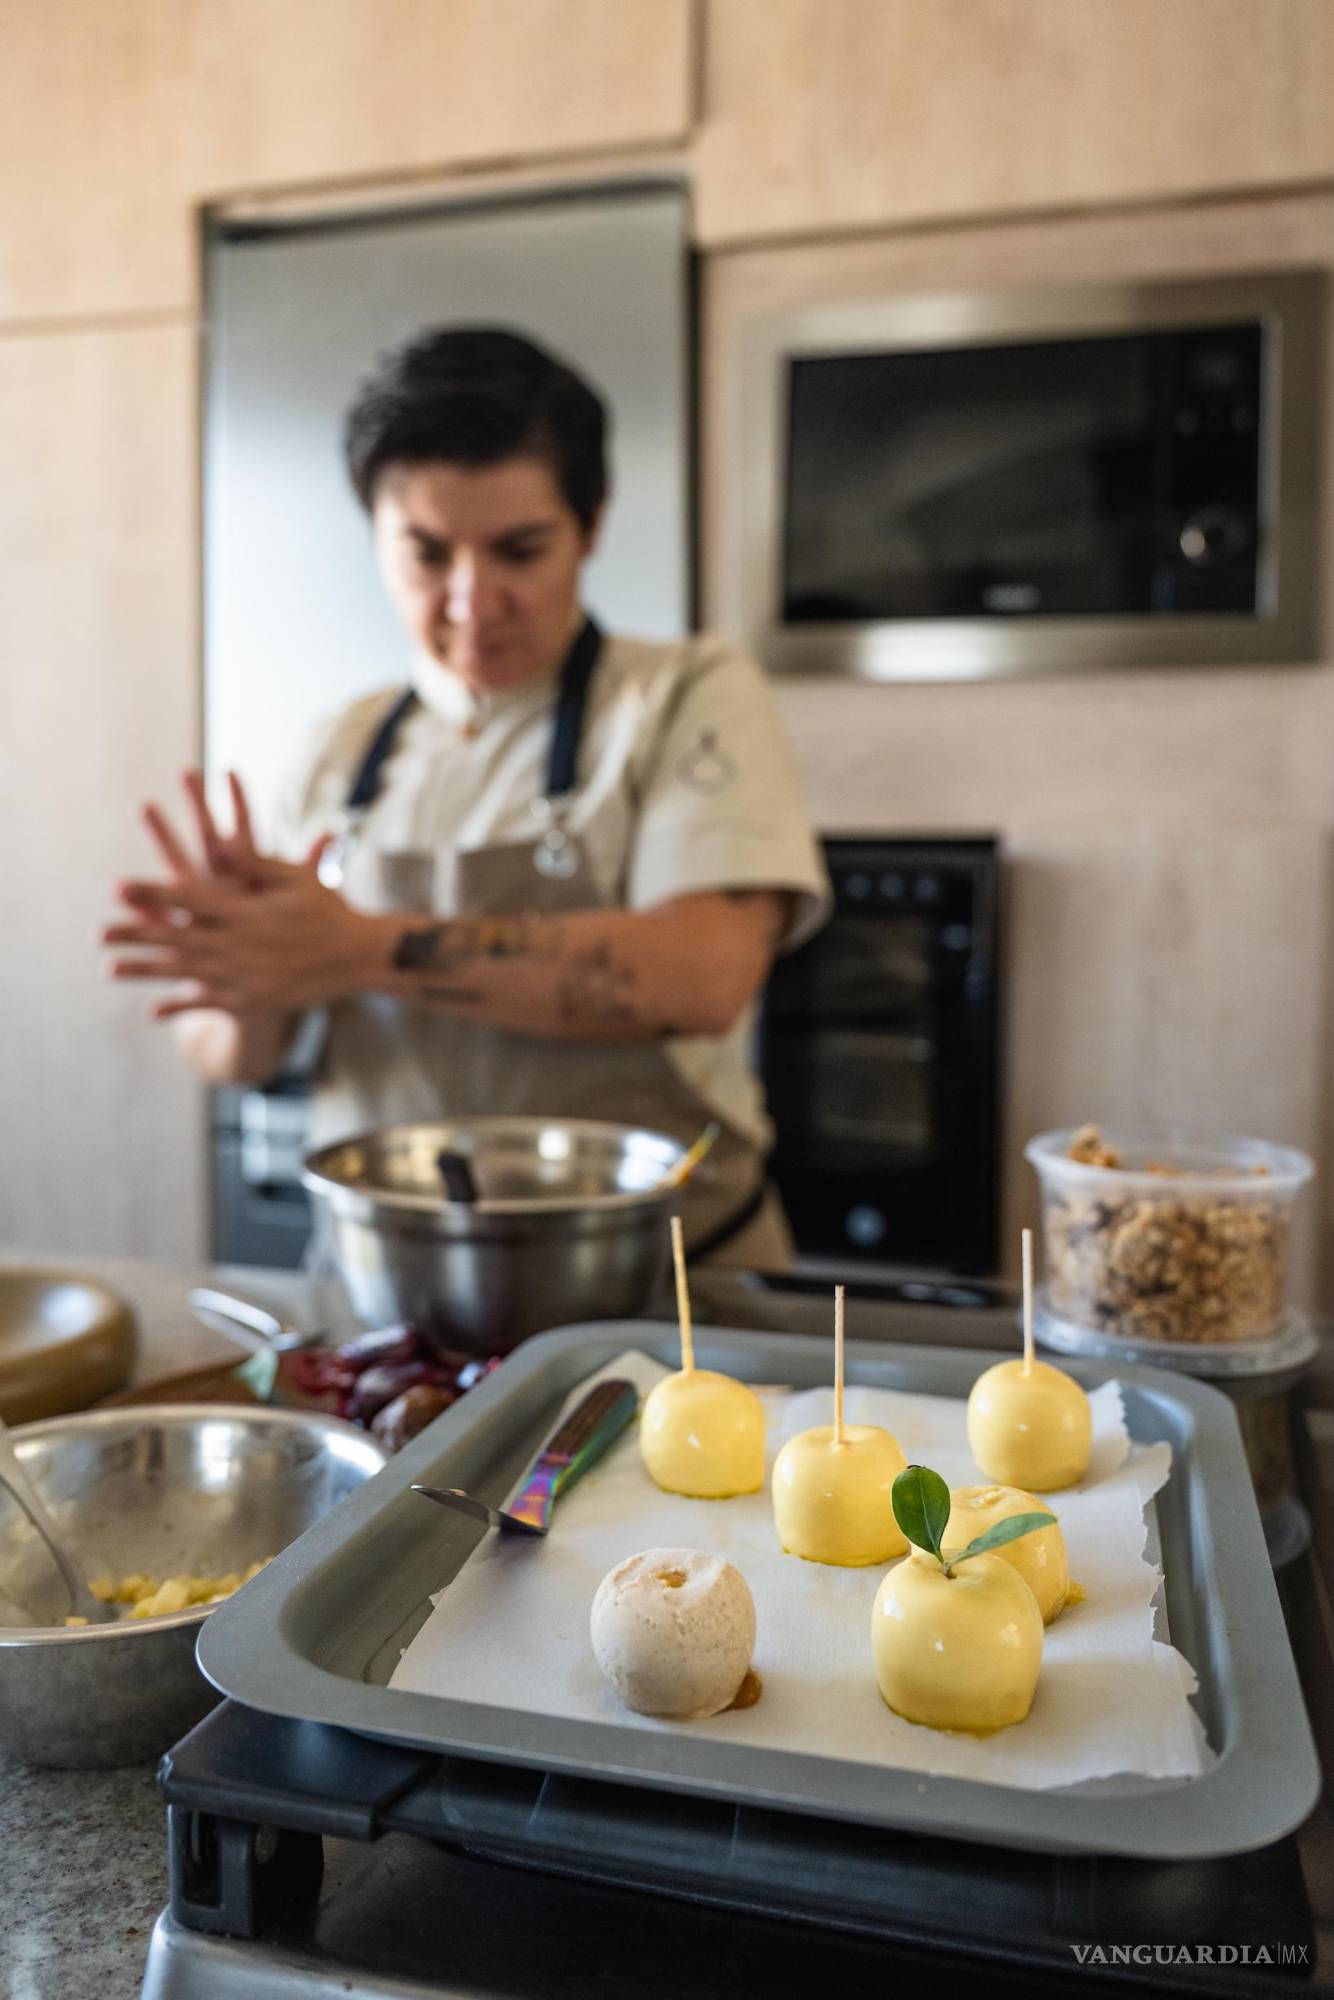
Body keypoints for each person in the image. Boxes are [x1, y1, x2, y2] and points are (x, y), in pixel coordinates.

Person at [102, 327, 830, 1265]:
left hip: (666, 1281)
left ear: (592, 524)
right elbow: (227, 1054)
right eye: (428, 555)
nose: (472, 600)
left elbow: (704, 974)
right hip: (385, 1290)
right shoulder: (338, 745)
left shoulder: (686, 695)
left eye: (519, 551)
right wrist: (249, 965)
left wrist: (355, 947)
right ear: (375, 535)